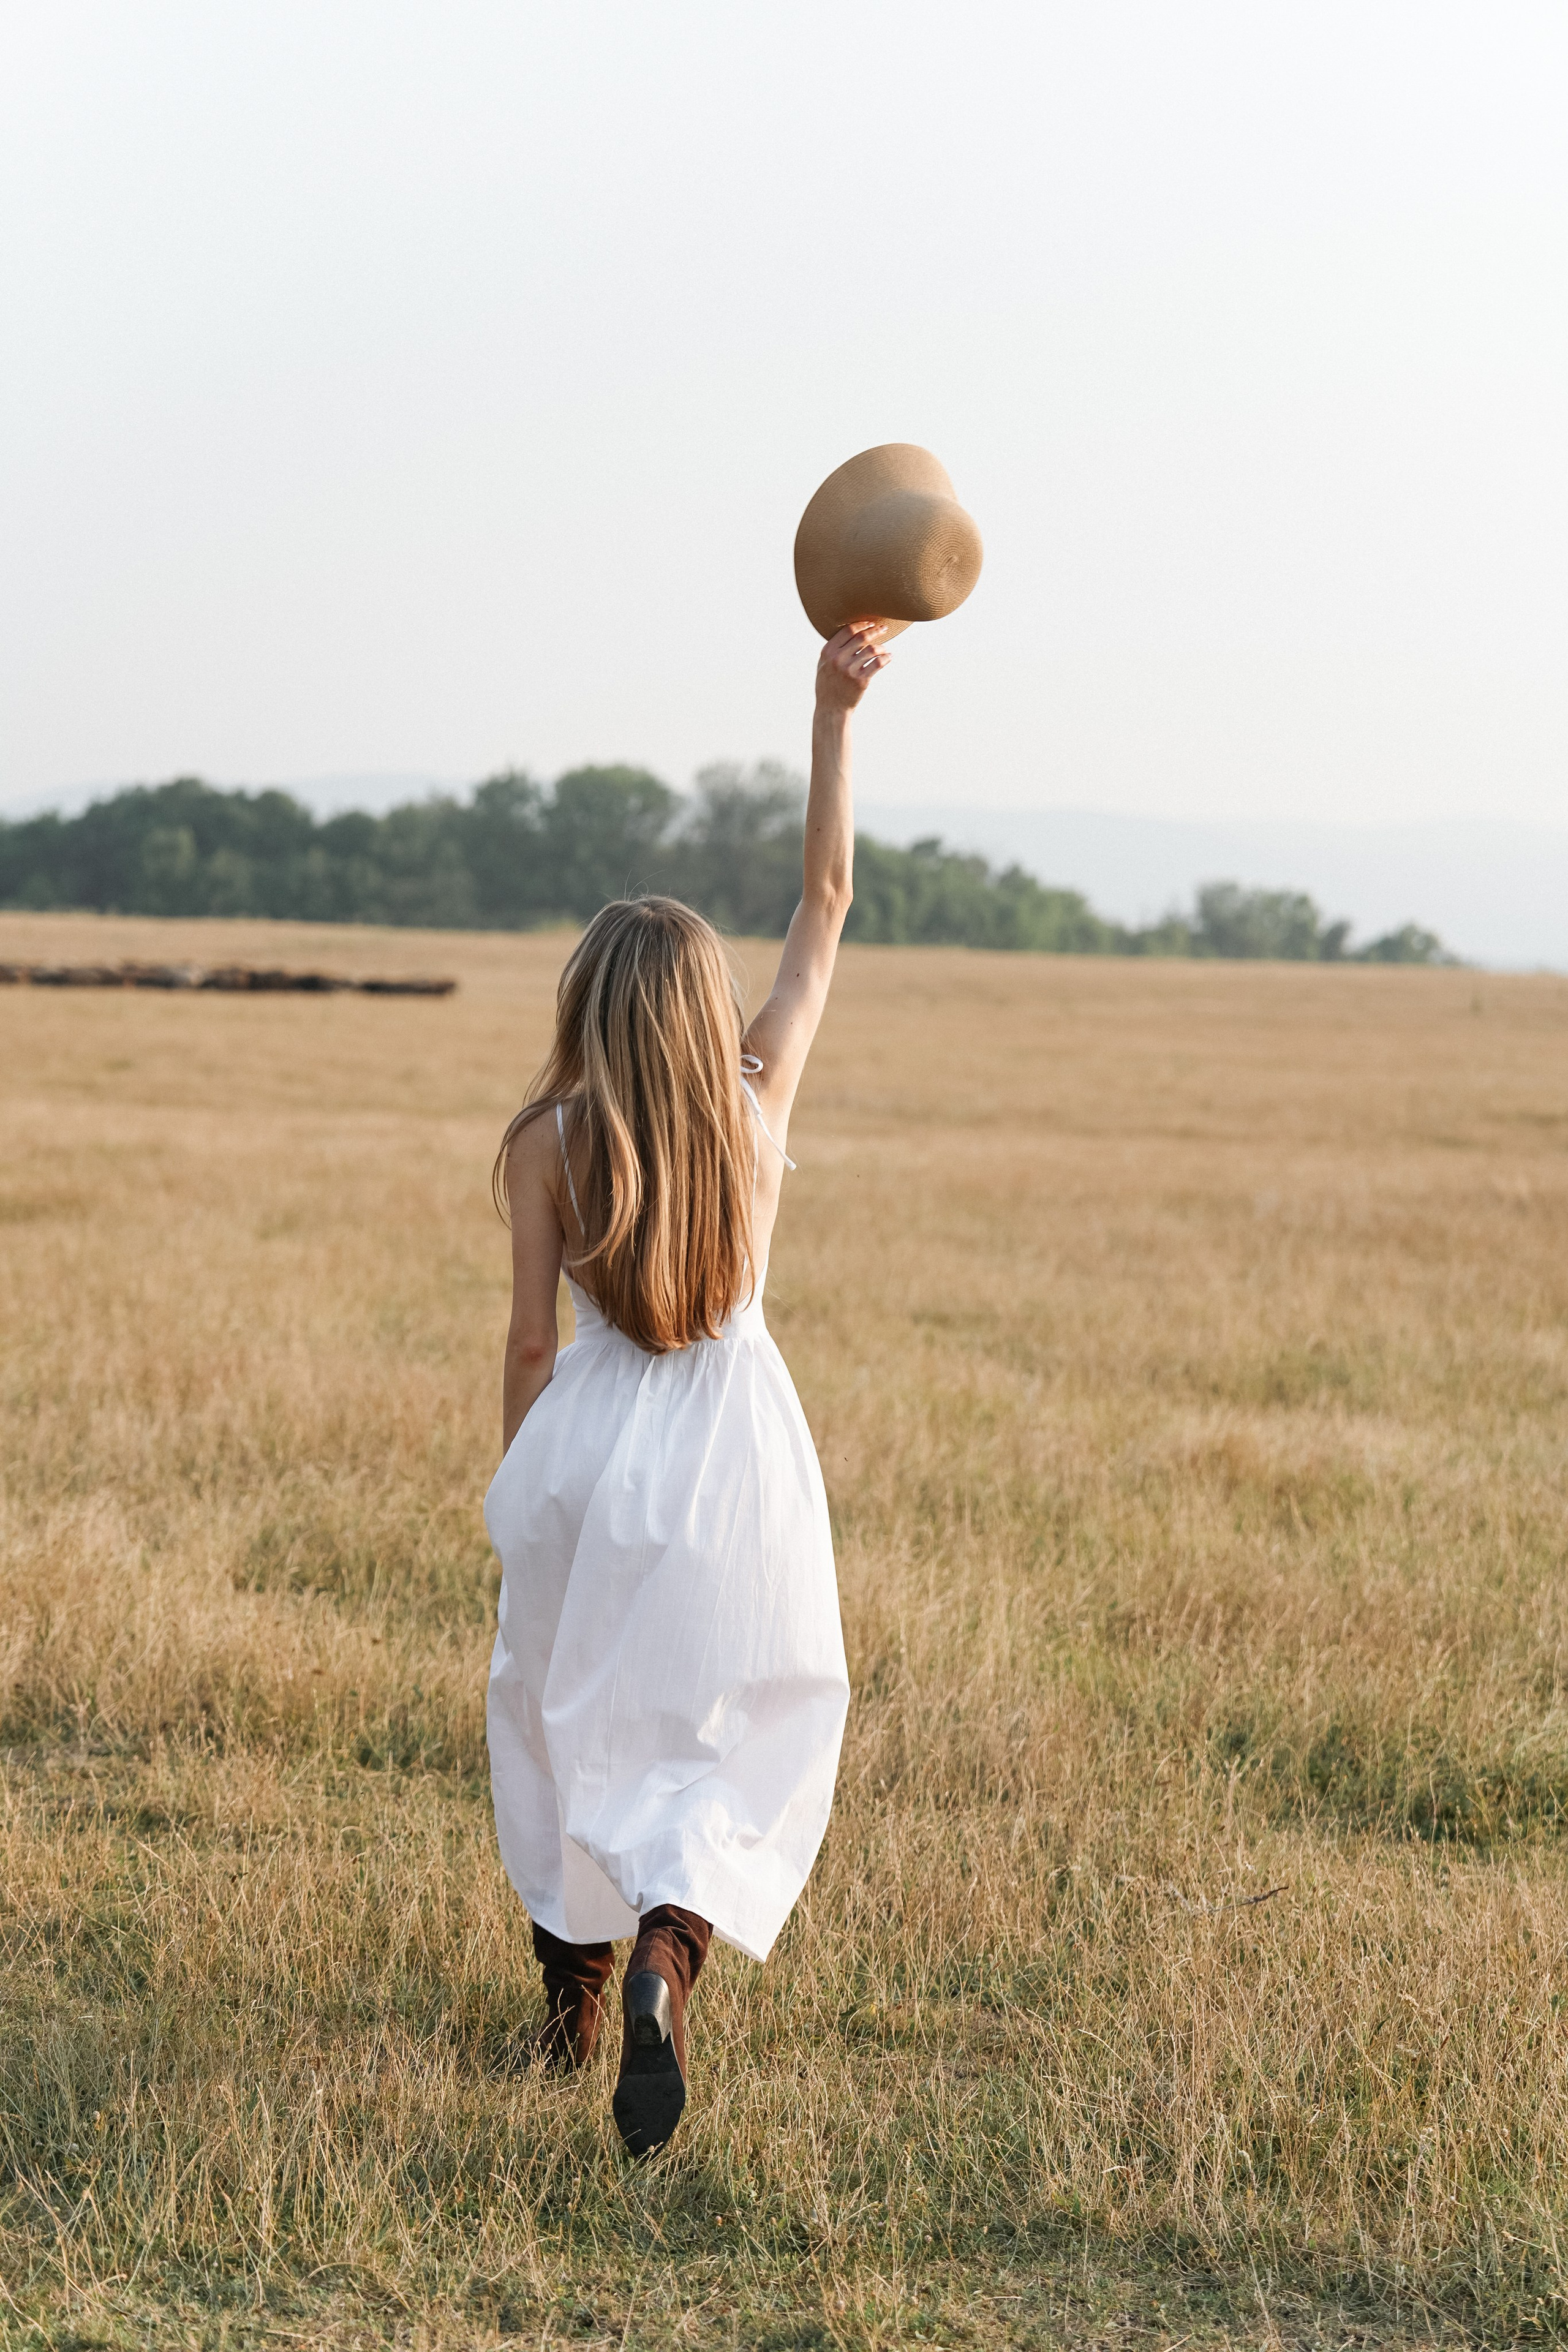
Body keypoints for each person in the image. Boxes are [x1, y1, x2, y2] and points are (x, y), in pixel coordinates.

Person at [484, 620, 891, 2156]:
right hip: (737, 1446)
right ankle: (666, 1954)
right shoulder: (754, 1103)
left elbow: (532, 1344)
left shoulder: (545, 1141)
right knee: (726, 1731)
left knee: (555, 1715)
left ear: (590, 1007)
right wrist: (830, 712)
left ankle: (569, 2011)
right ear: (701, 1011)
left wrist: (524, 1495)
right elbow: (824, 901)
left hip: (589, 1443)